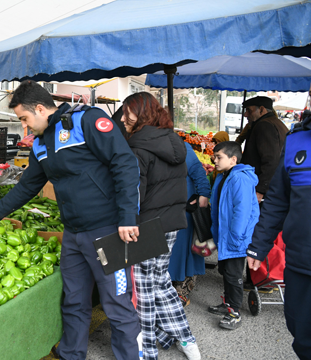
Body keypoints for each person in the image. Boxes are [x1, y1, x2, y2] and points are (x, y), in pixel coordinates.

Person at [0, 81, 142, 360]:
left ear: (40, 109)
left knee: (117, 304)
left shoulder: (87, 121)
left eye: (25, 119)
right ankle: (71, 353)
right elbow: (27, 187)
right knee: (74, 299)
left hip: (107, 230)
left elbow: (125, 163)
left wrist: (127, 217)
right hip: (74, 234)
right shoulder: (41, 143)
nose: (24, 126)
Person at [121, 92, 200, 360]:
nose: (122, 118)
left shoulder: (138, 148)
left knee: (145, 286)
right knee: (159, 281)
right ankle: (185, 339)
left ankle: (148, 351)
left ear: (140, 115)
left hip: (146, 225)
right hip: (172, 224)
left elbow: (135, 194)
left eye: (127, 113)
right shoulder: (175, 142)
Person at [247, 110, 311, 358]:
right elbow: (277, 201)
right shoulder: (295, 140)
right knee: (302, 334)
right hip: (301, 264)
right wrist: (258, 245)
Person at [207, 141, 259, 330]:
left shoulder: (239, 178)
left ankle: (234, 312)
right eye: (214, 157)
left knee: (234, 275)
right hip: (226, 235)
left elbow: (242, 211)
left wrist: (236, 237)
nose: (215, 160)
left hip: (235, 237)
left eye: (219, 157)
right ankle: (228, 304)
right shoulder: (224, 176)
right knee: (226, 272)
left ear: (233, 159)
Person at [168, 141, 212, 307]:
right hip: (162, 208)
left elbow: (198, 174)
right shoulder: (146, 144)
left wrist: (203, 195)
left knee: (181, 250)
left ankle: (180, 290)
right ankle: (172, 289)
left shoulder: (182, 146)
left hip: (183, 208)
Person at [239, 96, 289, 202]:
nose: (245, 114)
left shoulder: (264, 125)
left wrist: (261, 189)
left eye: (249, 110)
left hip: (265, 189)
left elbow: (272, 160)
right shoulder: (275, 122)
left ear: (261, 109)